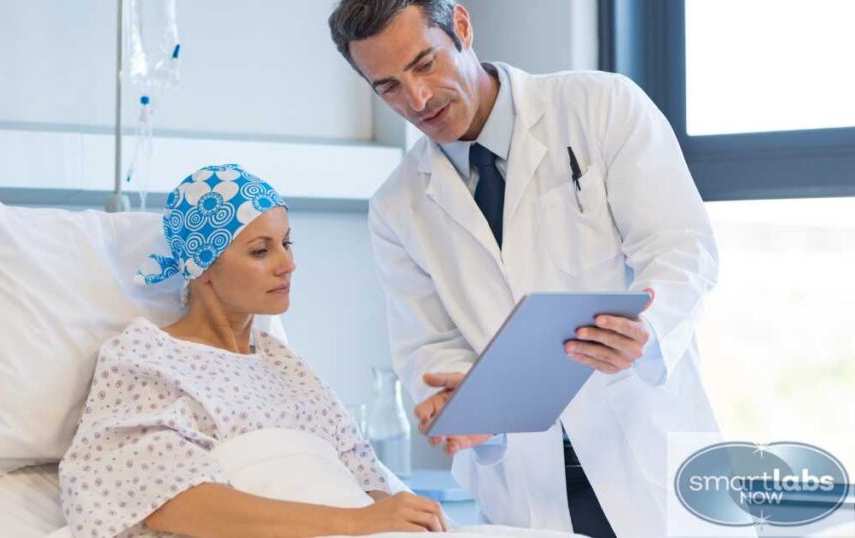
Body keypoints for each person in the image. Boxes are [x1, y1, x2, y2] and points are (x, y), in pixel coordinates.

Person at [328, 2, 721, 537]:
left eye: (424, 64)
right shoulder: (397, 206)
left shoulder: (600, 105)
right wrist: (464, 404)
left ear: (461, 27)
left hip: (648, 458)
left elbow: (680, 246)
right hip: (524, 490)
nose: (417, 99)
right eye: (389, 87)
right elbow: (430, 345)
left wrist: (647, 332)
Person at [58, 164, 584, 538]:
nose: (288, 264)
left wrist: (393, 517)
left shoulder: (286, 365)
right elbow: (174, 503)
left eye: (287, 243)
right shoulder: (146, 360)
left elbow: (364, 477)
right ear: (202, 266)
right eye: (260, 251)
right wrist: (356, 524)